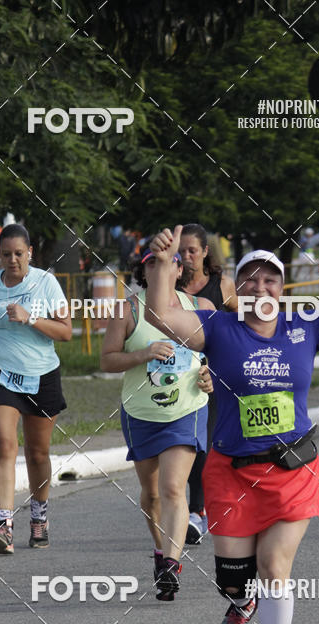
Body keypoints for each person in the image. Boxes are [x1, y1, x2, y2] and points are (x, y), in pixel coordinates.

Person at [146, 226, 319, 624]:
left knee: (274, 566)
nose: (260, 287)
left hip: (292, 469)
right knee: (235, 583)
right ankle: (240, 604)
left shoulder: (304, 326)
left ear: (281, 286)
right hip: (231, 473)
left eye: (270, 279)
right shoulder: (219, 328)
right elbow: (162, 314)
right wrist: (162, 267)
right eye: (249, 279)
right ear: (237, 287)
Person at [100, 244, 215, 602]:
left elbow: (222, 353)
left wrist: (213, 375)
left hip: (187, 409)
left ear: (180, 271)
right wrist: (143, 353)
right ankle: (160, 551)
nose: (164, 269)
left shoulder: (202, 309)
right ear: (144, 270)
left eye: (171, 263)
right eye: (155, 263)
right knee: (151, 495)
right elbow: (107, 360)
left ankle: (171, 564)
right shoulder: (127, 311)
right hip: (140, 414)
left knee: (173, 488)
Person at [0, 223, 72, 554]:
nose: (13, 260)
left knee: (38, 453)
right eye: (6, 254)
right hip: (1, 374)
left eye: (19, 253)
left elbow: (65, 332)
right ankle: (3, 524)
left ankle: (39, 517)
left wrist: (30, 318)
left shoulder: (46, 282)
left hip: (41, 375)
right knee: (3, 444)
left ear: (30, 252)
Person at [178, 223, 238, 545]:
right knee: (184, 448)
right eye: (181, 252)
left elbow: (243, 326)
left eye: (192, 251)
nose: (186, 257)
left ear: (204, 252)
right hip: (177, 380)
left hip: (213, 379)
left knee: (205, 446)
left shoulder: (222, 286)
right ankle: (189, 511)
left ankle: (197, 512)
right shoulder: (169, 288)